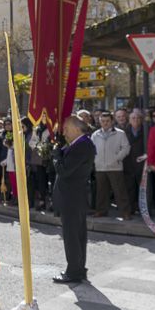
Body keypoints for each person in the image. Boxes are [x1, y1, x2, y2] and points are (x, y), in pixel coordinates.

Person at [52, 115, 96, 284]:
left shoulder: (83, 145)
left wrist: (56, 156)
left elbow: (64, 170)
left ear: (77, 129)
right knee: (77, 234)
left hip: (72, 197)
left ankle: (73, 272)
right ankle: (78, 269)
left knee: (72, 236)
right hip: (73, 196)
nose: (64, 133)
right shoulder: (78, 144)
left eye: (66, 129)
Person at [90, 111, 131, 219]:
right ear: (99, 122)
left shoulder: (120, 133)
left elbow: (126, 147)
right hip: (100, 167)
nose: (105, 123)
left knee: (120, 191)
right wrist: (95, 160)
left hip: (115, 167)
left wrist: (117, 158)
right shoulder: (95, 134)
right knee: (101, 191)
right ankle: (101, 211)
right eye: (103, 121)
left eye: (107, 121)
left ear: (112, 121)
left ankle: (125, 212)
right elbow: (91, 149)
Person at [123, 111, 145, 214]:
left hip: (142, 163)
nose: (135, 120)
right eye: (133, 118)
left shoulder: (146, 131)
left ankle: (143, 209)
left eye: (138, 118)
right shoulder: (123, 132)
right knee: (129, 188)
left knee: (143, 189)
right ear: (129, 120)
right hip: (128, 163)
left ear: (141, 120)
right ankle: (130, 209)